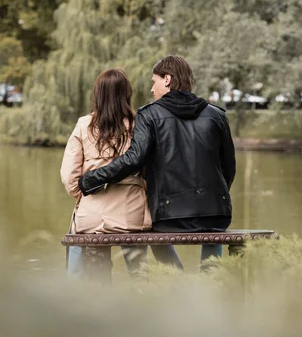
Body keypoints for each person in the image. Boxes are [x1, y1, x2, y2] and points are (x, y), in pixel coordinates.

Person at [78, 55, 236, 270]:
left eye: (154, 82)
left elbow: (134, 159)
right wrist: (214, 199)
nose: (152, 89)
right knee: (213, 232)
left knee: (145, 229)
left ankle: (174, 281)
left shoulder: (149, 114)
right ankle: (210, 282)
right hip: (217, 214)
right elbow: (228, 167)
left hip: (170, 217)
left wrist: (92, 179)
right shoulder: (216, 115)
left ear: (167, 79)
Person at [61, 68, 152, 281]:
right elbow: (150, 170)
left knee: (97, 283)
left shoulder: (84, 125)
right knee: (140, 277)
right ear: (126, 94)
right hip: (132, 214)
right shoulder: (140, 124)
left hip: (93, 218)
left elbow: (69, 177)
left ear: (97, 95)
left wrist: (86, 194)